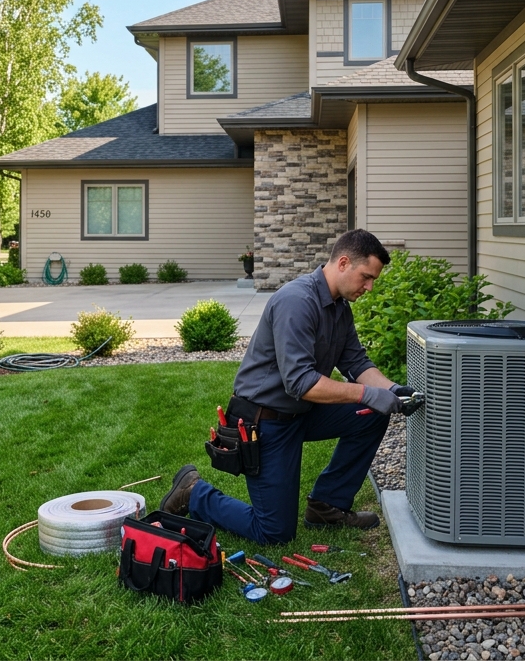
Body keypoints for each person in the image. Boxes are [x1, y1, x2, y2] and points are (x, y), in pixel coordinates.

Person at [158, 229, 419, 545]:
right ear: (344, 263)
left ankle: (327, 506)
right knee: (273, 531)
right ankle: (194, 493)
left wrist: (392, 390)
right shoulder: (296, 302)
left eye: (373, 279)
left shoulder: (339, 309)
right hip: (265, 422)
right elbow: (301, 382)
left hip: (302, 413)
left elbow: (357, 364)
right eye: (366, 277)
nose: (370, 286)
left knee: (372, 413)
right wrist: (367, 394)